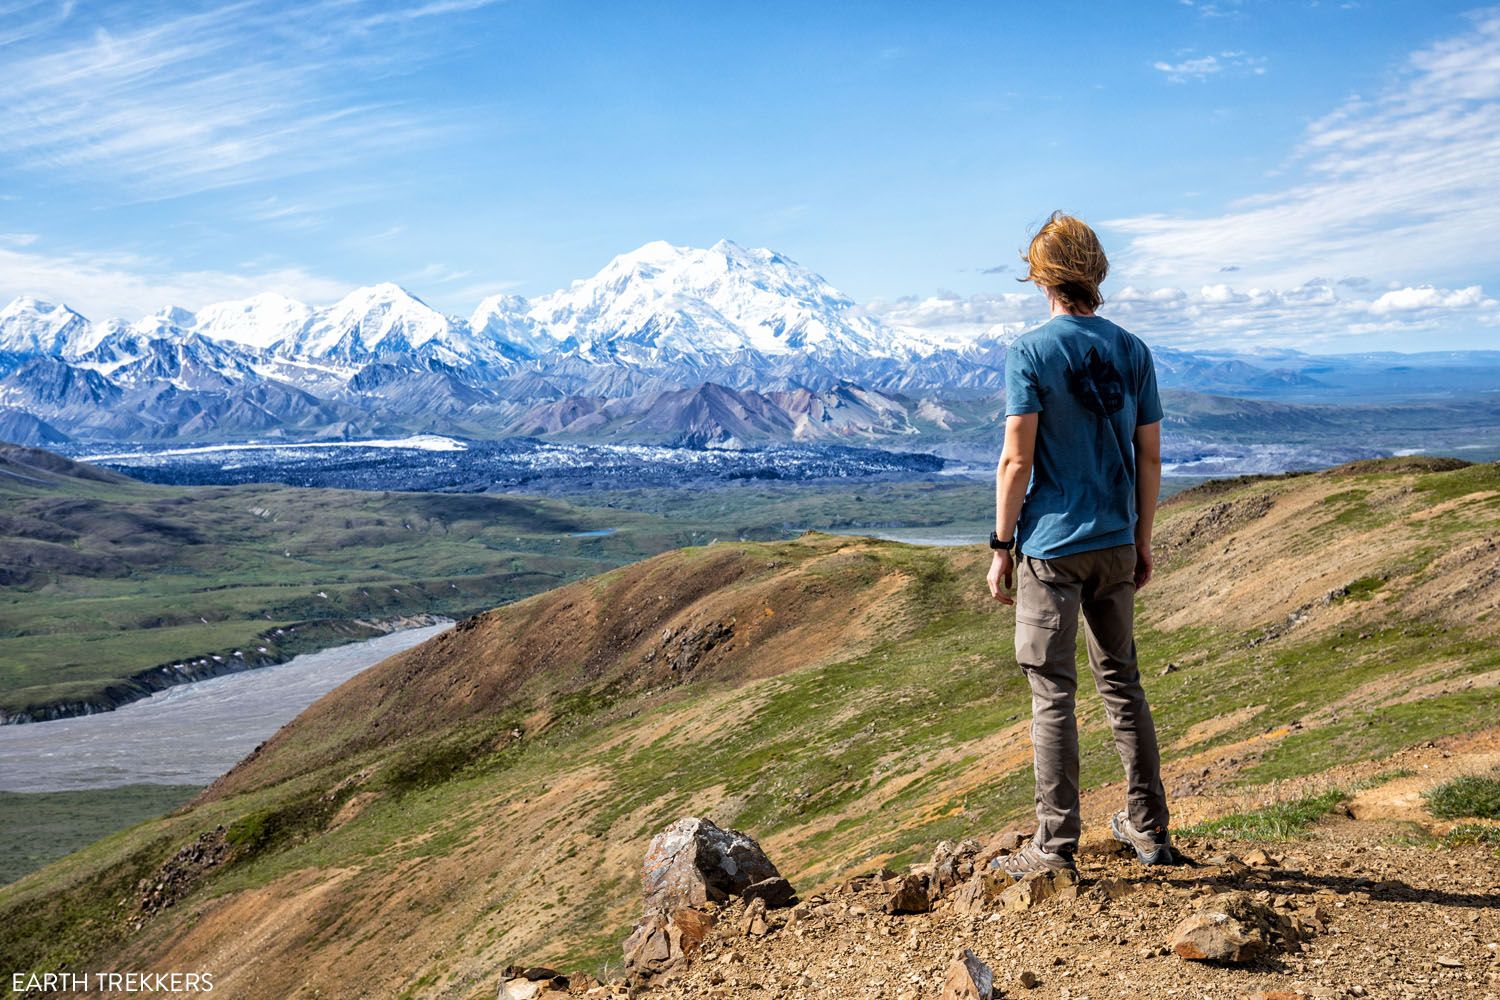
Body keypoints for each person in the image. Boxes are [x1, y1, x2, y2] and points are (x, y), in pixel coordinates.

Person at [985, 210, 1174, 875]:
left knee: (1053, 694)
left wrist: (1001, 546)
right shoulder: (1134, 350)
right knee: (1123, 683)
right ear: (1095, 272)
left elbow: (1017, 458)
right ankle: (1149, 829)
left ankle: (1055, 847)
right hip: (1117, 539)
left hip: (1052, 546)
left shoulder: (1031, 351)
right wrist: (1142, 539)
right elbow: (1149, 458)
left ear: (1042, 276)